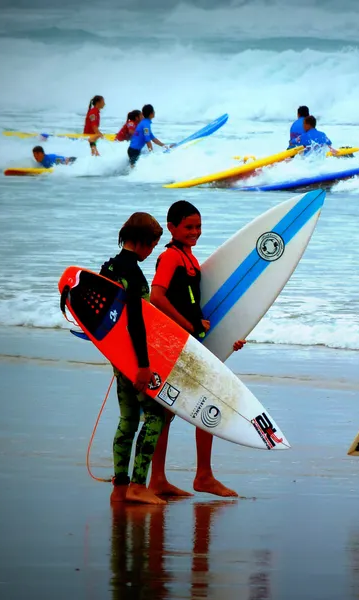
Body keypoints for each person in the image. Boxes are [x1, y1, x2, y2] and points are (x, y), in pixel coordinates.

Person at [148, 200, 247, 498]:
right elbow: (157, 297)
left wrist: (229, 337)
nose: (195, 232)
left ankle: (169, 479)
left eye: (198, 227)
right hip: (175, 343)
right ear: (172, 227)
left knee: (178, 408)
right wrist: (185, 325)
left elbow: (193, 304)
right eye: (189, 227)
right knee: (192, 405)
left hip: (191, 341)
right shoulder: (170, 258)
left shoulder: (188, 257)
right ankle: (193, 477)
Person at [101, 212, 169, 506]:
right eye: (153, 244)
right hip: (134, 356)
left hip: (116, 354)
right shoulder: (133, 273)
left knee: (128, 418)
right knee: (155, 415)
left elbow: (102, 319)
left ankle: (120, 488)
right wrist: (143, 364)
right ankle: (139, 484)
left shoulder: (108, 268)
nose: (152, 250)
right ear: (142, 242)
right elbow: (136, 323)